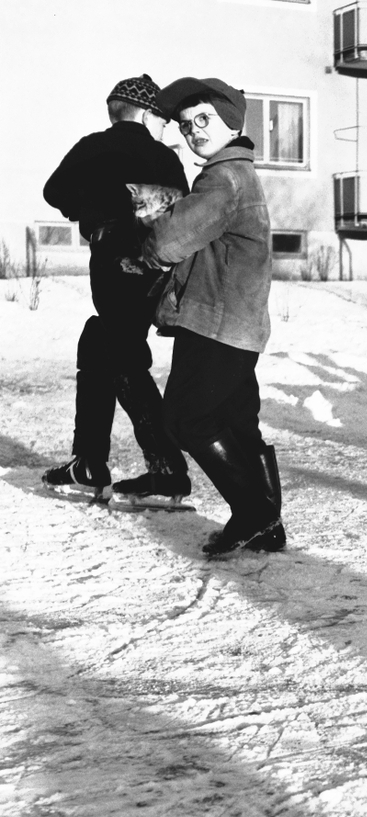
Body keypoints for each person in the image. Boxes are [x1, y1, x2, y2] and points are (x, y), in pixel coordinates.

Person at [143, 76, 283, 554]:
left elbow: (167, 242)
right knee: (239, 423)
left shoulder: (222, 178)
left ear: (229, 120)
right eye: (185, 125)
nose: (193, 131)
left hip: (215, 323)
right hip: (238, 325)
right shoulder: (240, 173)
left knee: (186, 418)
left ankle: (256, 515)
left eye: (203, 119)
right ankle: (268, 525)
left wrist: (150, 218)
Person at [41, 75, 191, 503]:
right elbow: (179, 207)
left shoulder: (93, 147)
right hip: (153, 265)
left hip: (111, 261)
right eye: (161, 119)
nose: (164, 128)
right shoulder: (163, 157)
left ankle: (167, 471)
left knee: (120, 352)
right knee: (100, 342)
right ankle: (88, 463)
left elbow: (54, 191)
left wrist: (93, 209)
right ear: (146, 114)